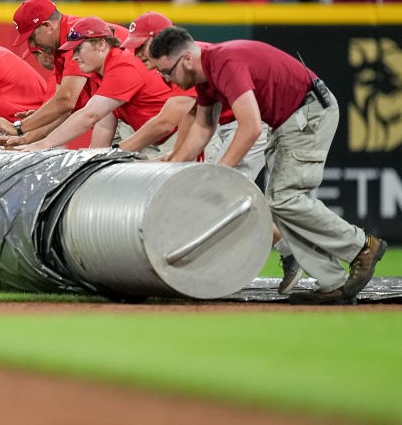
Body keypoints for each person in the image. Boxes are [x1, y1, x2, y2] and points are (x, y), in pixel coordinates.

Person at [149, 27, 386, 304]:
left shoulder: (224, 63)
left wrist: (221, 174)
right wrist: (174, 166)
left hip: (308, 112)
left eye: (167, 71)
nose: (166, 80)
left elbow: (249, 128)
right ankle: (332, 281)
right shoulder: (206, 74)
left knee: (285, 198)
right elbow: (203, 128)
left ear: (187, 59)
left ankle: (362, 245)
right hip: (289, 119)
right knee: (279, 202)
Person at [121, 13, 301, 294]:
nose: (136, 52)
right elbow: (194, 117)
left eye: (140, 45)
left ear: (159, 39)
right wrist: (178, 157)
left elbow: (173, 117)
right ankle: (288, 249)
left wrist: (178, 161)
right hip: (227, 126)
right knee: (220, 198)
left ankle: (289, 251)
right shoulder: (176, 62)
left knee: (215, 196)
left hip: (243, 126)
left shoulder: (186, 59)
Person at [6, 17, 188, 159]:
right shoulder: (98, 73)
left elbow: (88, 115)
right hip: (154, 138)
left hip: (181, 135)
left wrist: (39, 144)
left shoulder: (123, 64)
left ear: (101, 44)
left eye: (78, 50)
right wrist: (91, 159)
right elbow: (103, 124)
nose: (74, 57)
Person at [0, 0, 127, 149]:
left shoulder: (77, 37)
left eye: (32, 37)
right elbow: (65, 109)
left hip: (139, 107)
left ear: (47, 26)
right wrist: (26, 138)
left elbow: (66, 102)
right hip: (118, 112)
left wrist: (20, 127)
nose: (32, 44)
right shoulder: (63, 48)